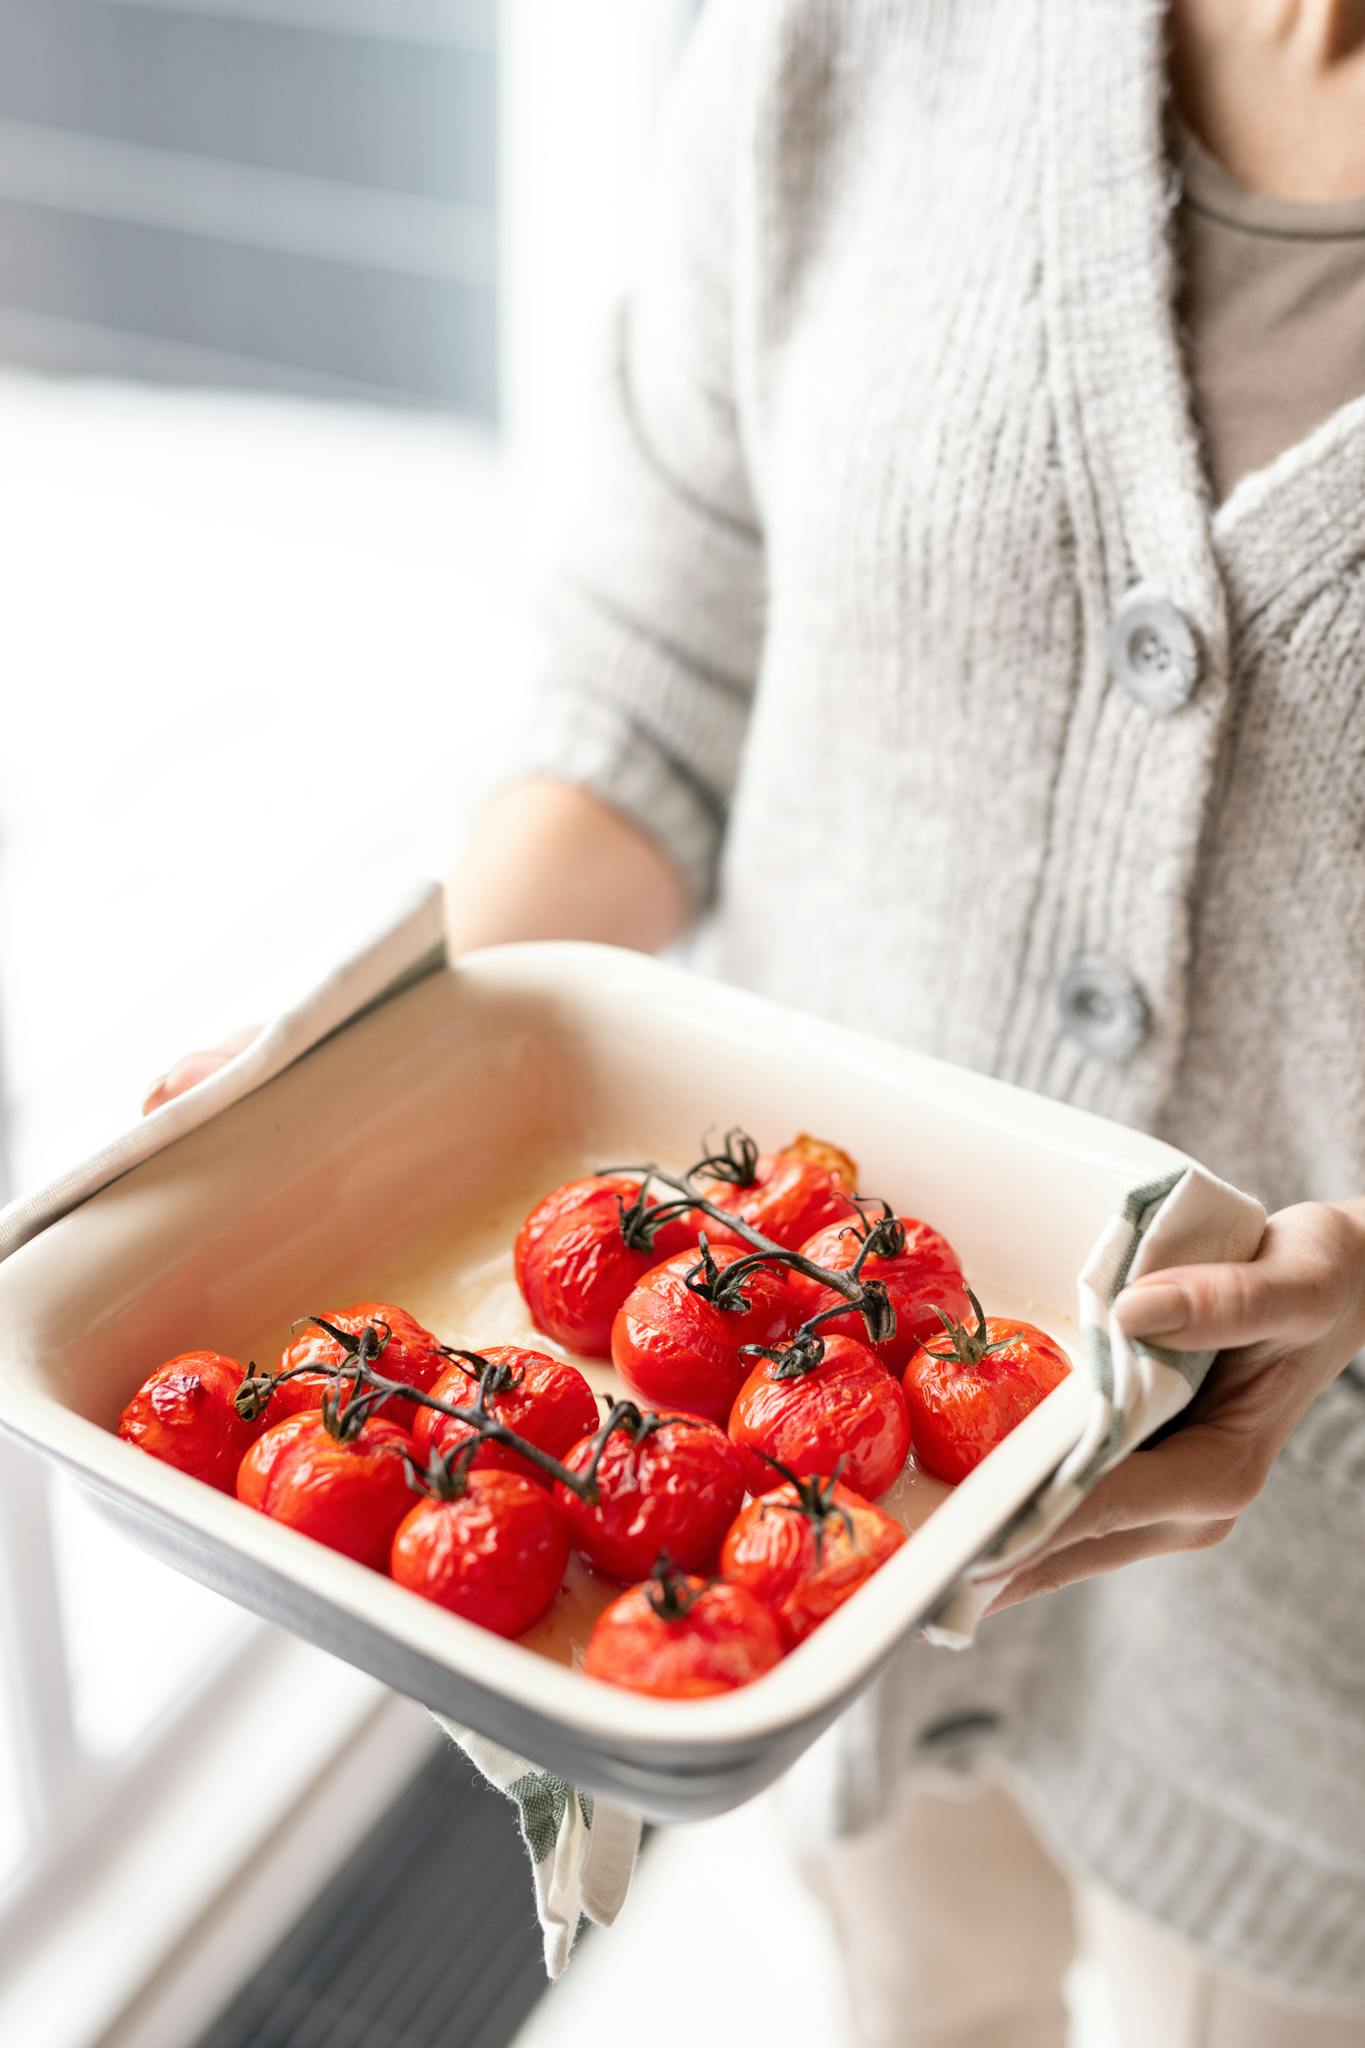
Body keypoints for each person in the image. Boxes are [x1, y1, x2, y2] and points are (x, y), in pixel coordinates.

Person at [148, 1, 1365, 2040]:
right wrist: (377, 1067)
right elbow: (651, 686)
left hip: (1305, 1661)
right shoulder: (855, 35)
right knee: (919, 1986)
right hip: (792, 1541)